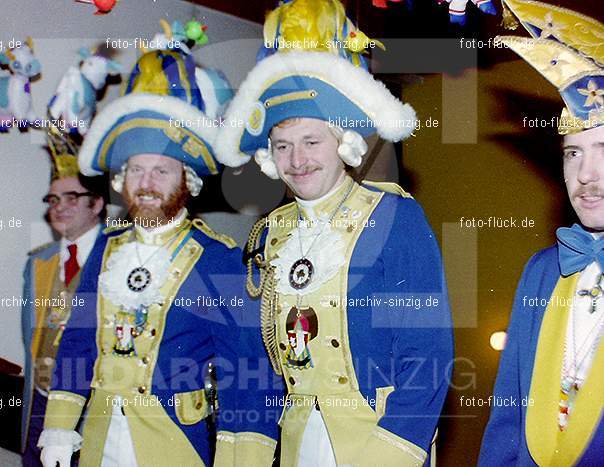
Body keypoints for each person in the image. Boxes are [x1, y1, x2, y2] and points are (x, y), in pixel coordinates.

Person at [215, 1, 454, 465]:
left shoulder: (393, 219)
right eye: (282, 146)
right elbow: (254, 367)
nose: (296, 160)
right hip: (300, 444)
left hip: (380, 445)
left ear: (344, 143)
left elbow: (427, 355)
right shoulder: (267, 237)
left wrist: (389, 455)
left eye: (311, 142)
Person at [37, 24, 280, 467]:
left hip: (175, 446)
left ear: (186, 181)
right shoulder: (106, 250)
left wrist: (243, 460)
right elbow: (77, 341)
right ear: (118, 180)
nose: (145, 185)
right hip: (97, 441)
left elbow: (249, 376)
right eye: (135, 171)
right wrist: (58, 427)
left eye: (161, 171)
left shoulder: (221, 259)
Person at [479, 1, 603, 465]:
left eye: (602, 149)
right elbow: (506, 418)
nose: (586, 175)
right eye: (573, 154)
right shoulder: (541, 271)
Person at [21, 151, 106, 467]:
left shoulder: (119, 256)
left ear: (96, 204)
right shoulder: (38, 262)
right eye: (53, 200)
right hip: (40, 403)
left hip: (93, 405)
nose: (59, 208)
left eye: (70, 198)